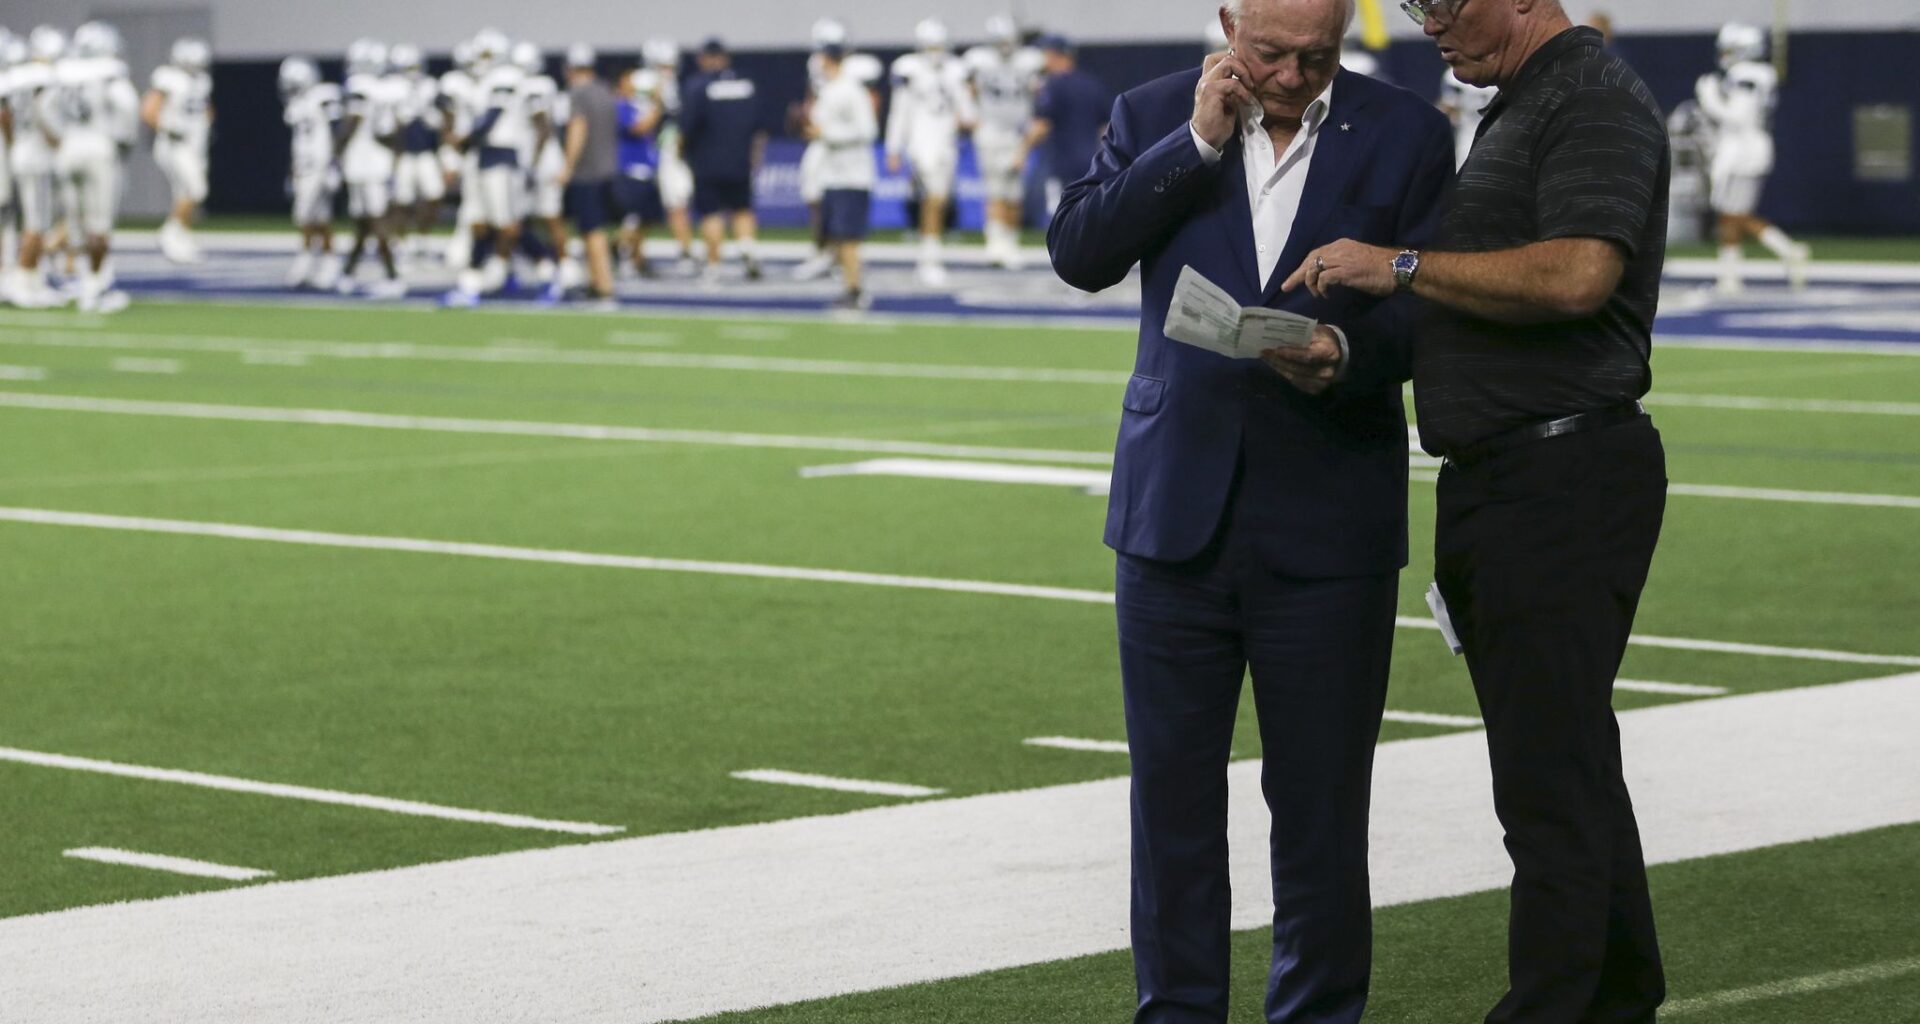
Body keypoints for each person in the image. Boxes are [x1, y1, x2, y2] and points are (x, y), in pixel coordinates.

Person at [1047, 0, 1454, 1018]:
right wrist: (1195, 142)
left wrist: (1349, 352)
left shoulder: (1408, 131)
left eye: (1317, 54)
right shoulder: (1153, 113)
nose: (1290, 74)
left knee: (1320, 814)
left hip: (1330, 523)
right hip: (1171, 518)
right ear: (1227, 20)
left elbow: (1437, 312)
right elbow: (1081, 252)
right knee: (1170, 811)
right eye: (1268, 50)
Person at [1289, 2, 1673, 1021]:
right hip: (1516, 477)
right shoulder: (1524, 99)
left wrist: (1399, 263)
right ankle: (1622, 990)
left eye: (1442, 3)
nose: (1428, 26)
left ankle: (1552, 1004)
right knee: (1571, 763)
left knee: (1546, 789)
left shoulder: (1587, 94)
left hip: (1559, 475)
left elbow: (1580, 271)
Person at [1695, 22, 1808, 295]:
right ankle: (1730, 278)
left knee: (1735, 215)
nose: (1724, 54)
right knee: (1729, 216)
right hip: (1746, 147)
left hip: (1743, 150)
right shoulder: (1757, 73)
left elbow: (1736, 117)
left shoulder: (1748, 74)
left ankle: (1789, 250)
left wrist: (1708, 97)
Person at [48, 20, 138, 313]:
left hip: (68, 149)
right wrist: (124, 140)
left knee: (75, 225)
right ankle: (95, 288)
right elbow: (126, 105)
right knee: (99, 226)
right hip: (98, 147)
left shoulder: (64, 71)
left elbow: (46, 107)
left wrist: (60, 137)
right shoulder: (110, 71)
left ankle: (79, 280)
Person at [885, 19, 974, 287]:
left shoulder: (955, 70)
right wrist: (894, 147)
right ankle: (930, 259)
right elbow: (899, 111)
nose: (935, 51)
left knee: (940, 200)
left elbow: (966, 108)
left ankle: (929, 254)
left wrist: (970, 117)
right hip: (921, 142)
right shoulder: (908, 69)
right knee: (934, 198)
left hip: (946, 143)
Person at [679, 38, 764, 284]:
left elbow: (687, 126)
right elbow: (759, 128)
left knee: (711, 213)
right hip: (739, 159)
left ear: (705, 58)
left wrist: (682, 153)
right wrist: (754, 156)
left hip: (708, 160)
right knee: (742, 209)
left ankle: (714, 265)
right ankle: (748, 250)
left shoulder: (698, 86)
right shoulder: (746, 84)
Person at [964, 15, 1044, 270]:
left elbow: (1038, 93)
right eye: (1001, 41)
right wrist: (973, 119)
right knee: (995, 189)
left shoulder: (1029, 62)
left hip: (1017, 134)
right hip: (990, 132)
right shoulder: (979, 61)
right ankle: (995, 243)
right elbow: (968, 93)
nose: (1006, 46)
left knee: (1015, 192)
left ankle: (1010, 243)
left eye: (1010, 41)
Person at [807, 39, 878, 311]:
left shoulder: (851, 90)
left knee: (848, 237)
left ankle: (855, 289)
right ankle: (850, 285)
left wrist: (827, 134)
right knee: (836, 236)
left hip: (852, 174)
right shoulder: (830, 90)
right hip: (834, 174)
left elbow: (868, 130)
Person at [333, 38, 406, 299]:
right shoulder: (388, 89)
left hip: (364, 163)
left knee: (375, 221)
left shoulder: (361, 86)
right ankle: (348, 272)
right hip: (377, 161)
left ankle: (393, 277)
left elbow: (352, 122)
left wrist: (335, 154)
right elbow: (393, 131)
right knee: (364, 222)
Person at [556, 43, 620, 305]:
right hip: (608, 169)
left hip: (587, 172)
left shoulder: (579, 94)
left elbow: (578, 130)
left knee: (592, 230)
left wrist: (567, 167)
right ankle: (595, 281)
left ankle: (603, 284)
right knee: (594, 229)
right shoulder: (605, 92)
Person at [4, 26, 63, 309]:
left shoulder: (16, 78)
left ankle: (32, 279)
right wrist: (57, 139)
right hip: (36, 152)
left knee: (30, 219)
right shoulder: (43, 77)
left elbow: (8, 116)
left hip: (20, 149)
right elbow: (45, 113)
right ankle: (24, 280)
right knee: (36, 222)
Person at [142, 36, 213, 264]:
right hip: (175, 144)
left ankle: (182, 238)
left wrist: (204, 127)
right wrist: (169, 128)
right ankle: (170, 234)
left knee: (184, 195)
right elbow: (149, 110)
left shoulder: (202, 81)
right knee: (196, 190)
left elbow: (207, 110)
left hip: (194, 146)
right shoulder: (168, 78)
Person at [1024, 35, 1110, 216]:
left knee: (1059, 215)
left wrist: (1021, 152)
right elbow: (1106, 129)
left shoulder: (1053, 85)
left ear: (1054, 55)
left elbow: (1042, 125)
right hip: (1090, 163)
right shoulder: (1091, 84)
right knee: (1086, 214)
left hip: (1061, 164)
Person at [278, 55, 341, 290]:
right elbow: (298, 142)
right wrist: (294, 169)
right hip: (304, 167)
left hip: (320, 165)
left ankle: (305, 262)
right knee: (319, 218)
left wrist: (335, 163)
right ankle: (327, 261)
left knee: (306, 216)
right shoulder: (296, 105)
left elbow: (336, 130)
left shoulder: (323, 96)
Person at [385, 43, 444, 267]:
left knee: (433, 195)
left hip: (426, 151)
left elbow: (442, 118)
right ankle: (401, 244)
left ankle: (423, 240)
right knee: (401, 201)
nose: (413, 71)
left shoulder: (430, 87)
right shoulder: (391, 89)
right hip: (404, 154)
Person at [1438, 67, 1497, 171]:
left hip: (1467, 141)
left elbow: (1447, 109)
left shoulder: (1454, 77)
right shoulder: (1501, 73)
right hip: (1497, 139)